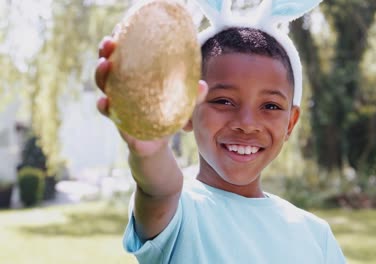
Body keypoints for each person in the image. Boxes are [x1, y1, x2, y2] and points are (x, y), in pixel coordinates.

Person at [95, 0, 346, 263]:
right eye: (224, 101)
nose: (247, 123)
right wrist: (151, 149)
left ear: (291, 123)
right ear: (187, 110)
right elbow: (158, 190)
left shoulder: (317, 236)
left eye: (270, 105)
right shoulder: (179, 211)